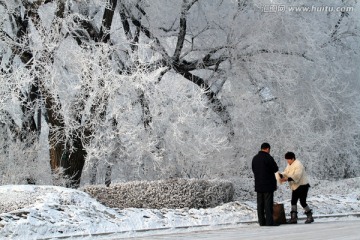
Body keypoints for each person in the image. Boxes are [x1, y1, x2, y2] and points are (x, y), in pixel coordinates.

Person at [279, 151, 314, 224]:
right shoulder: (290, 164)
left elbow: (297, 175)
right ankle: (293, 218)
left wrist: (287, 179)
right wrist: (281, 175)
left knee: (302, 202)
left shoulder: (298, 164)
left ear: (292, 158)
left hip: (303, 185)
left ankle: (310, 216)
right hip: (295, 186)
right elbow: (286, 172)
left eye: (288, 159)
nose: (287, 161)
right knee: (293, 201)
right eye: (287, 160)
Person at [252, 142, 279, 226]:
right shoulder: (268, 158)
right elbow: (275, 169)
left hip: (258, 184)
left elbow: (253, 169)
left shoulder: (255, 158)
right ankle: (269, 222)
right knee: (268, 203)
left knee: (260, 204)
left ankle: (261, 221)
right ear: (268, 149)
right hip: (268, 184)